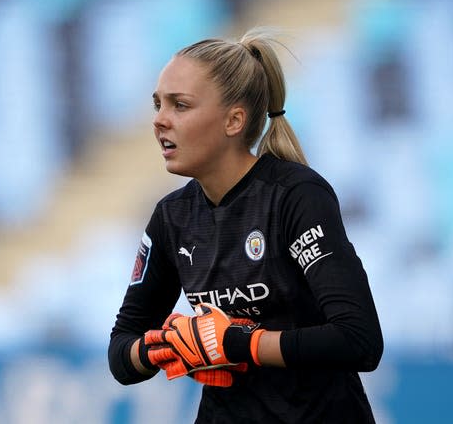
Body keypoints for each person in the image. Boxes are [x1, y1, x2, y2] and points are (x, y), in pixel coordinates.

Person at [108, 27, 383, 423]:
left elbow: (359, 339)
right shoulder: (172, 217)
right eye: (157, 105)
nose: (160, 121)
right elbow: (122, 352)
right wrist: (169, 345)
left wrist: (237, 343)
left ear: (234, 120)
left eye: (180, 106)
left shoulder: (296, 196)